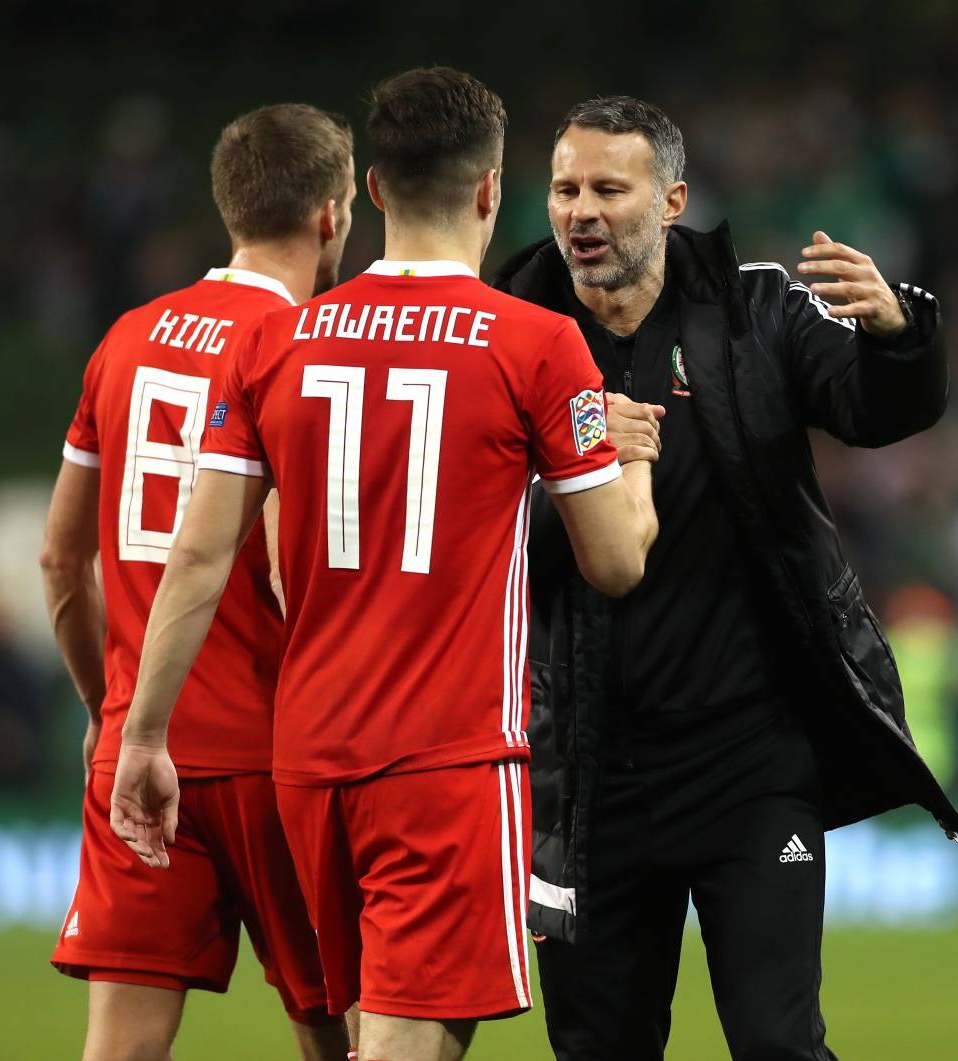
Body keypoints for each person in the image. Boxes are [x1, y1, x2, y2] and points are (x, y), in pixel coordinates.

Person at [106, 67, 659, 1061]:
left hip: (308, 766)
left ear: (371, 193)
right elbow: (615, 562)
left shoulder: (276, 341)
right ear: (491, 190)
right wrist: (633, 461)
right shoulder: (537, 345)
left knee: (364, 1038)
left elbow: (199, 552)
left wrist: (145, 735)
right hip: (443, 764)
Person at [490, 96, 958, 1061]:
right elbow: (465, 515)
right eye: (565, 187)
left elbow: (873, 408)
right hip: (584, 777)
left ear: (671, 201)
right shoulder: (508, 326)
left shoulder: (755, 310)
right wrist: (566, 473)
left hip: (749, 763)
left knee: (780, 1045)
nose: (580, 210)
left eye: (608, 189)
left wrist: (897, 334)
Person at [40, 102, 354, 1061]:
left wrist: (112, 706)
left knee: (121, 1048)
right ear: (333, 216)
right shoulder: (313, 352)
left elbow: (61, 558)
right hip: (277, 752)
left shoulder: (125, 341)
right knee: (336, 1032)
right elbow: (301, 572)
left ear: (229, 207)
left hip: (144, 752)